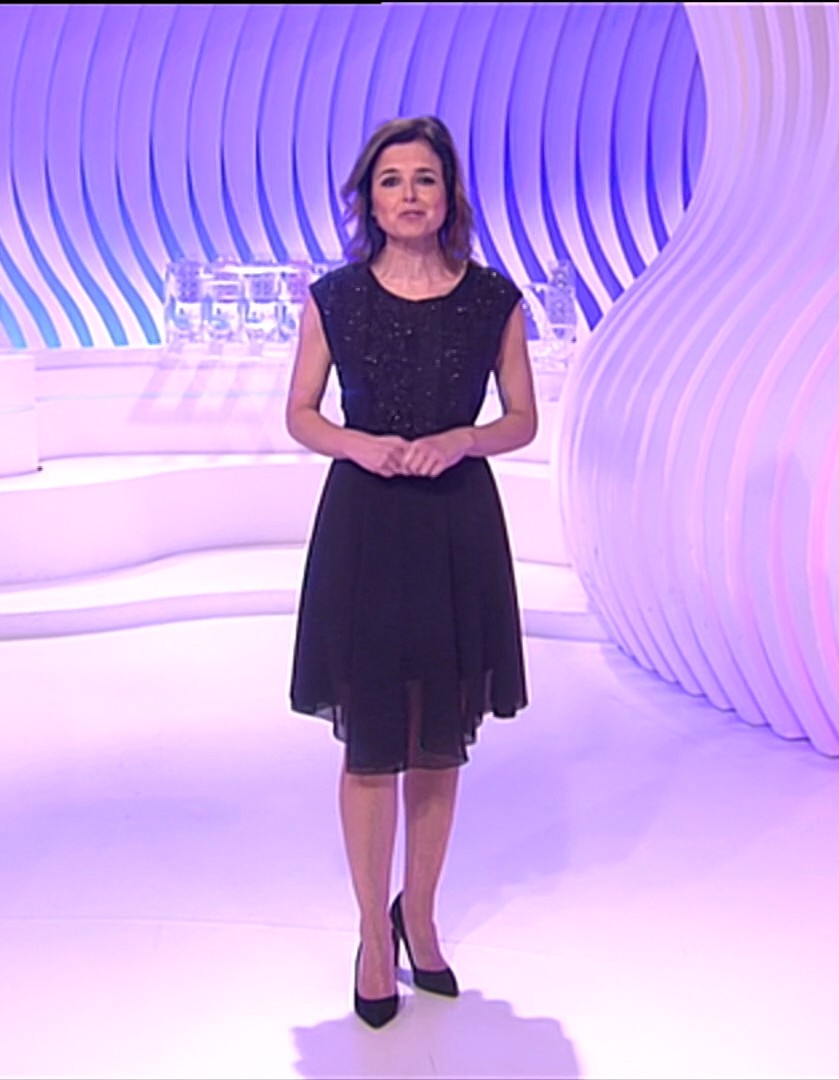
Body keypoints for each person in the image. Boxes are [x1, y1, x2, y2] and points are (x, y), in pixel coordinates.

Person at [284, 115, 536, 1029]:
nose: (409, 195)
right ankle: (371, 935)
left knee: (438, 739)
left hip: (456, 526)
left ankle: (418, 916)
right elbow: (301, 412)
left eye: (424, 178)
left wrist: (463, 438)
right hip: (365, 526)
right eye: (390, 180)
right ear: (369, 199)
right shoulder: (335, 299)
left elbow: (521, 420)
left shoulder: (494, 299)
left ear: (449, 192)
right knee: (370, 742)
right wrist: (357, 444)